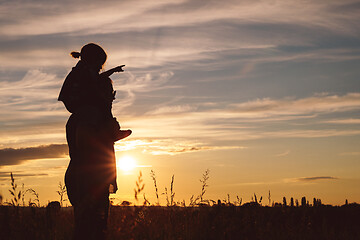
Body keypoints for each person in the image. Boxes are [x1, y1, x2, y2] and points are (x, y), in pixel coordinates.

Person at [58, 43, 131, 239]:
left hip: (88, 178)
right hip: (91, 182)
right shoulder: (89, 115)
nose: (111, 98)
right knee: (92, 226)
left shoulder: (84, 107)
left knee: (89, 225)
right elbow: (88, 153)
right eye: (100, 65)